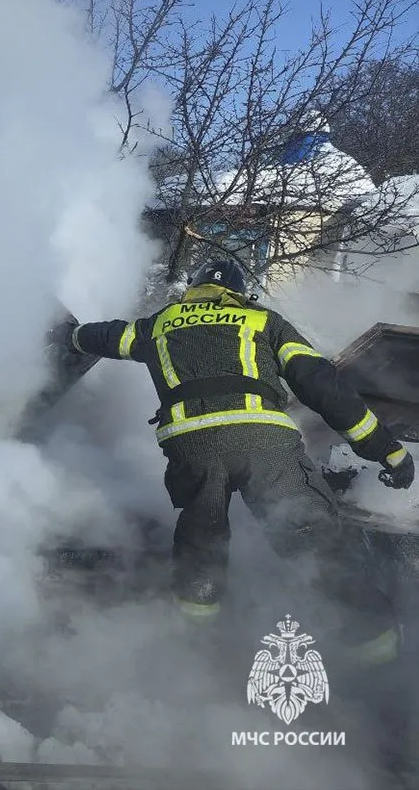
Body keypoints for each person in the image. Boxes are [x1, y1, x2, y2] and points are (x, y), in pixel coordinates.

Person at [53, 257, 414, 667]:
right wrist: (387, 450)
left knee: (202, 540)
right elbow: (323, 387)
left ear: (195, 289)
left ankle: (196, 646)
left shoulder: (162, 323)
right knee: (311, 538)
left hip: (193, 447)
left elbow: (110, 336)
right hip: (265, 444)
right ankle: (375, 649)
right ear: (240, 293)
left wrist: (72, 336)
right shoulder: (263, 321)